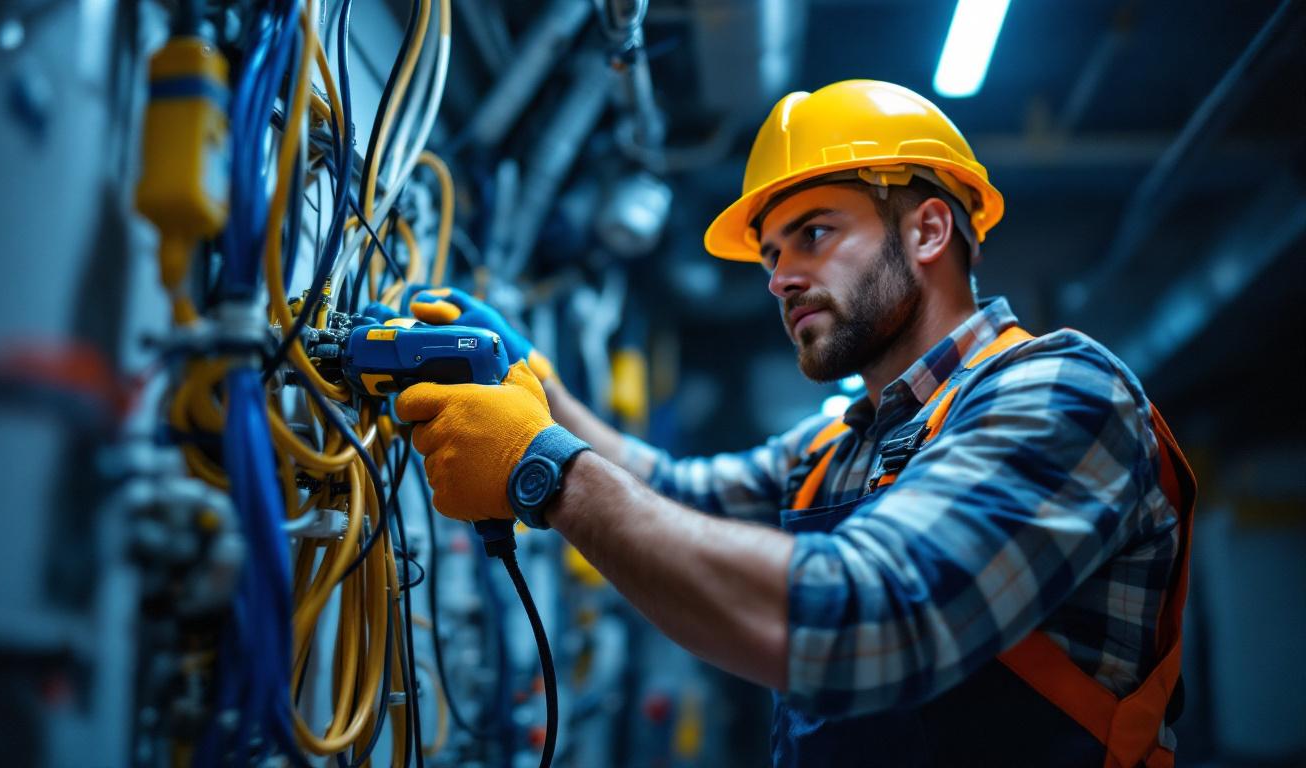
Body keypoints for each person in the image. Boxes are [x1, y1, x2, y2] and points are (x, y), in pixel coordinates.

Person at [398, 80, 1196, 767]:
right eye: (772, 253)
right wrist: (541, 389)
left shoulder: (1059, 391)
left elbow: (869, 617)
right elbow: (673, 492)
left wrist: (544, 471)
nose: (779, 278)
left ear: (926, 231)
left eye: (814, 233)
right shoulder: (841, 445)